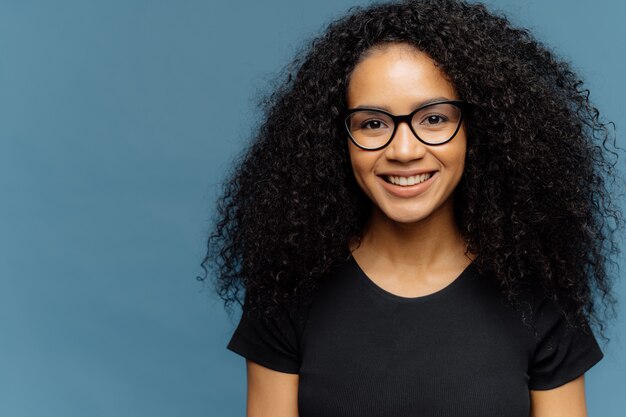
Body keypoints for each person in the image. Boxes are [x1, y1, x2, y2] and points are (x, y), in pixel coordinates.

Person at [199, 0, 624, 415]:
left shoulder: (539, 295)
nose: (404, 150)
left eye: (434, 119)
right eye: (373, 123)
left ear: (479, 131)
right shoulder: (288, 290)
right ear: (339, 141)